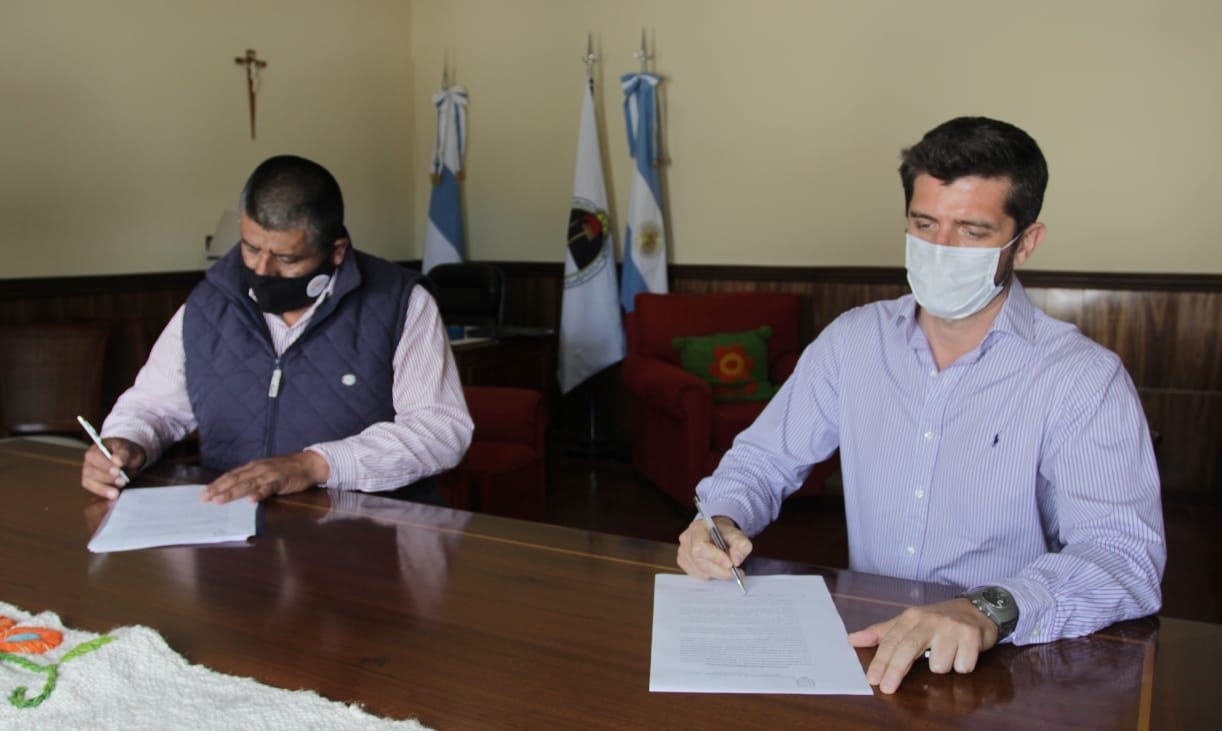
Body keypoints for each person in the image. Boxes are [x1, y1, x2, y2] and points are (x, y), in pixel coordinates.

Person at [676, 117, 1165, 694]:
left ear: (1026, 242)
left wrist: (986, 608)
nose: (941, 250)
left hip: (1008, 665)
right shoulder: (853, 341)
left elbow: (1123, 557)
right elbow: (761, 462)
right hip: (871, 647)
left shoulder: (1082, 378)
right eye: (925, 223)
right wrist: (721, 518)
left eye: (973, 231)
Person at [81, 155, 473, 505]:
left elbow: (439, 431)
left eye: (286, 258)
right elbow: (153, 407)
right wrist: (127, 442)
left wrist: (314, 465)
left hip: (367, 532)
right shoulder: (208, 304)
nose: (261, 270)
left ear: (336, 251)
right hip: (232, 527)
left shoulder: (401, 303)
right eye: (251, 248)